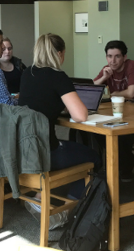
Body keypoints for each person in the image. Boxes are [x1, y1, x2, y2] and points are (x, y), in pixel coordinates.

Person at [18, 33, 100, 199]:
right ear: (60, 53)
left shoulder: (27, 73)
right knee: (94, 157)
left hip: (23, 149)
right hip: (47, 152)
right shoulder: (58, 77)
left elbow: (41, 100)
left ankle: (41, 196)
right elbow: (81, 116)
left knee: (75, 149)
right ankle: (71, 206)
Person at [93, 40, 134, 181]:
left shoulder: (132, 66)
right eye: (109, 56)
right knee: (98, 129)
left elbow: (132, 93)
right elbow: (92, 86)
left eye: (117, 56)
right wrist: (104, 77)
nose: (112, 61)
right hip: (121, 109)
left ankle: (125, 167)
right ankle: (115, 164)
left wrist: (113, 94)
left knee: (122, 131)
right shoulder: (107, 69)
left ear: (124, 57)